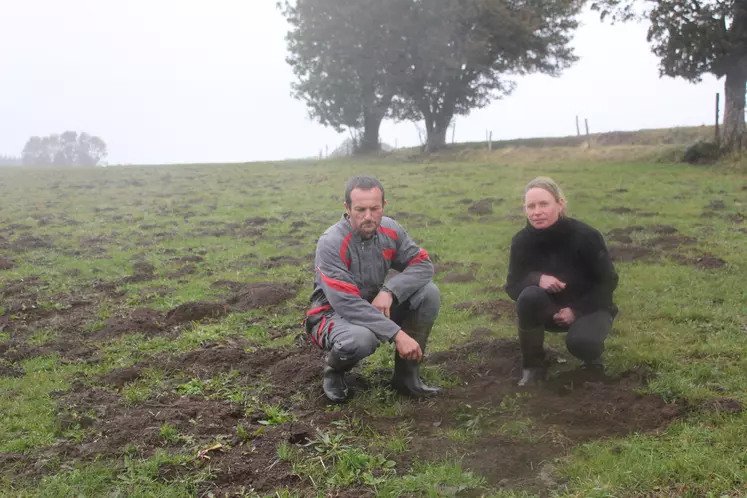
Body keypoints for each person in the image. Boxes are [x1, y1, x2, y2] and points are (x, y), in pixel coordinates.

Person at [304, 175, 441, 402]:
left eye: (374, 209)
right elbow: (346, 303)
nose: (368, 217)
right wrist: (397, 334)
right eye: (360, 209)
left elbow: (423, 264)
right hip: (332, 314)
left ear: (383, 206)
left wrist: (390, 291)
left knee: (429, 293)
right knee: (361, 339)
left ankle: (406, 377)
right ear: (347, 208)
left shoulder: (391, 230)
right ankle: (334, 370)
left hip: (375, 304)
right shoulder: (331, 242)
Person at [505, 176, 619, 386]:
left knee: (582, 343)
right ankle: (533, 368)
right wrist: (537, 279)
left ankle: (592, 363)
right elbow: (512, 286)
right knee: (529, 295)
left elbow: (608, 282)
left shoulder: (586, 236)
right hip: (549, 309)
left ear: (560, 204)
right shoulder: (521, 242)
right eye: (531, 206)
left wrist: (577, 310)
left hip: (591, 307)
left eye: (543, 204)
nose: (537, 211)